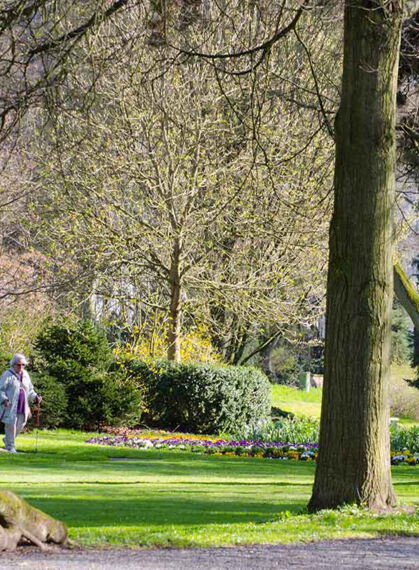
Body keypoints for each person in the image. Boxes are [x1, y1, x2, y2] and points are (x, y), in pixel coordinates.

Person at [0, 354, 42, 453]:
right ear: (13, 364)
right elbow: (0, 389)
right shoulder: (7, 374)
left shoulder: (26, 374)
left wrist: (36, 397)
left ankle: (7, 440)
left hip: (23, 405)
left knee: (21, 424)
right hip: (10, 405)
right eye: (19, 365)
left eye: (23, 365)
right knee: (11, 425)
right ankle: (11, 447)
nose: (21, 367)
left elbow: (30, 390)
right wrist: (4, 399)